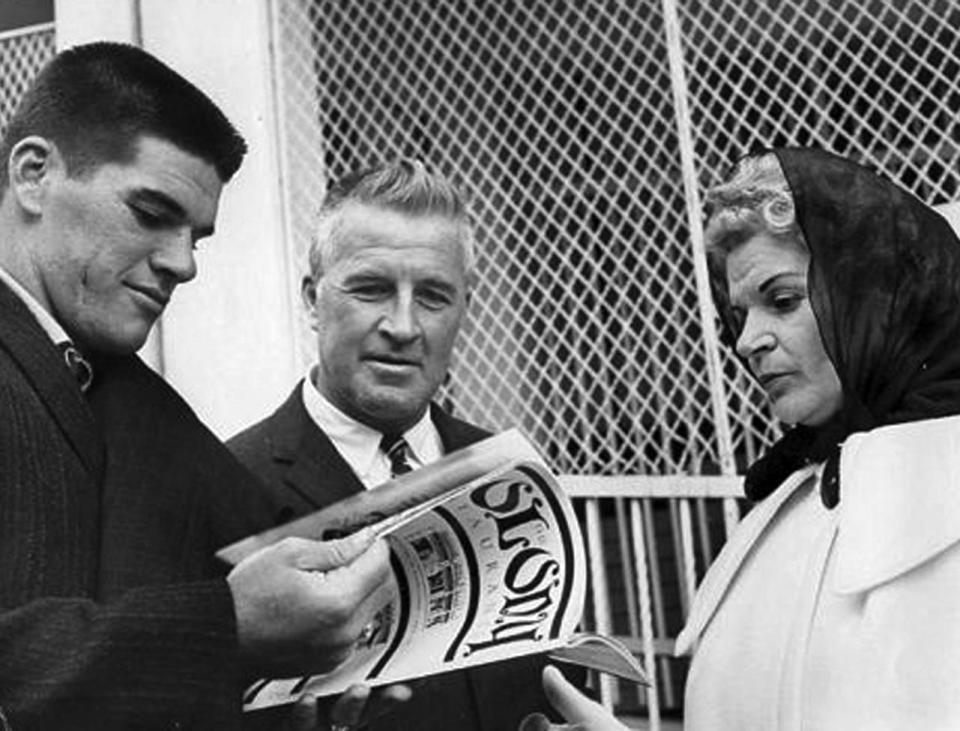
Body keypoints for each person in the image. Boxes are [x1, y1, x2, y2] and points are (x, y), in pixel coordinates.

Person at [0, 42, 395, 731]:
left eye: (197, 236)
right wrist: (224, 629)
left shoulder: (138, 399)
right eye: (151, 214)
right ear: (34, 174)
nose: (183, 264)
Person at [519, 147, 960, 730]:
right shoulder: (789, 502)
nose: (748, 340)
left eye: (782, 301)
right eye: (741, 314)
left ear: (875, 301)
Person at [229, 159, 570, 731]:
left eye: (433, 296)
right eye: (372, 289)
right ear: (313, 300)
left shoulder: (511, 473)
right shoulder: (224, 482)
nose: (404, 325)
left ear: (466, 307)